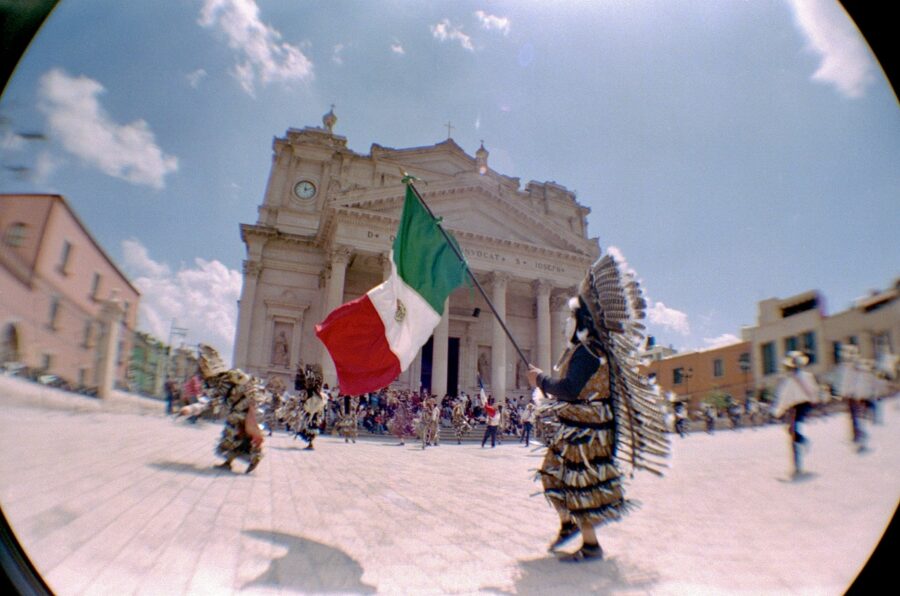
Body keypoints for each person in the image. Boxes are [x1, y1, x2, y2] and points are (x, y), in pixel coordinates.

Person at [527, 252, 669, 562]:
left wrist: (540, 380)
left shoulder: (588, 352)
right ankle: (567, 524)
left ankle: (591, 545)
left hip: (587, 431)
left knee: (581, 482)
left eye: (570, 317)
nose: (567, 322)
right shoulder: (590, 350)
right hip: (580, 427)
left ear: (581, 320)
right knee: (553, 473)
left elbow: (569, 389)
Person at [181, 344, 264, 474]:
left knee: (232, 437)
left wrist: (248, 406)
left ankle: (251, 458)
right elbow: (211, 401)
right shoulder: (224, 379)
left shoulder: (229, 378)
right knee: (238, 438)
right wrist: (191, 409)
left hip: (240, 413)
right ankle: (240, 460)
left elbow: (250, 386)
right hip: (240, 412)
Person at [773, 351, 823, 477]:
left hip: (795, 407)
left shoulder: (788, 380)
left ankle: (797, 463)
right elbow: (815, 390)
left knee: (792, 432)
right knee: (792, 431)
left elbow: (783, 398)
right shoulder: (807, 376)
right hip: (805, 405)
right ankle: (800, 450)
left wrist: (778, 412)